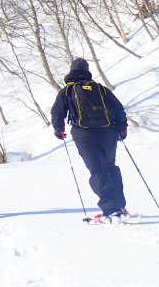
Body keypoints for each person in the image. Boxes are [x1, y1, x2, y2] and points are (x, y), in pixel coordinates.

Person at [51, 57, 128, 223]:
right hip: (107, 133)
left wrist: (59, 130)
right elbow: (118, 108)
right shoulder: (100, 88)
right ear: (87, 70)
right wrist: (122, 128)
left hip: (83, 135)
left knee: (97, 170)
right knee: (110, 167)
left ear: (71, 71)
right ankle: (119, 205)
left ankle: (110, 209)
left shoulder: (67, 90)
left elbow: (57, 113)